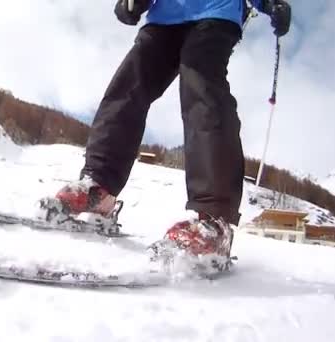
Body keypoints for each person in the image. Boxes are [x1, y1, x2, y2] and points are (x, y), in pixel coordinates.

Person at [54, 0, 291, 259]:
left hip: (216, 13)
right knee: (128, 86)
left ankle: (213, 220)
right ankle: (98, 188)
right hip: (164, 17)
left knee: (201, 87)